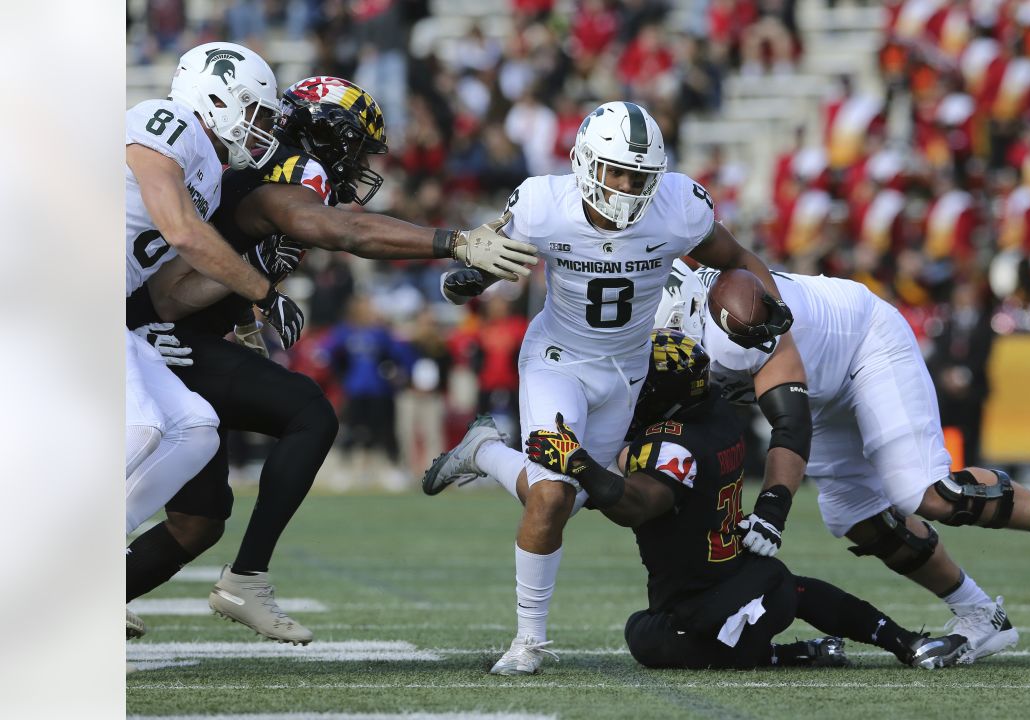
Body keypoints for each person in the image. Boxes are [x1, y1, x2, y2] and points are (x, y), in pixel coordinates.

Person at [124, 76, 539, 644]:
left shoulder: (264, 176)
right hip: (155, 337)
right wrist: (454, 241)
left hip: (174, 333)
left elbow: (231, 258)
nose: (361, 166)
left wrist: (243, 321)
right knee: (309, 412)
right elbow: (337, 228)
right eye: (357, 147)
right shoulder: (282, 174)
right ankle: (247, 578)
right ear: (324, 133)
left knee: (199, 520)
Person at [423, 101, 806, 676]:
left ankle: (484, 452)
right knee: (553, 493)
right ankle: (529, 641)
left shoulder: (677, 206)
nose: (626, 188)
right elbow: (490, 248)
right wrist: (473, 276)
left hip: (629, 369)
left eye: (639, 176)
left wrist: (771, 301)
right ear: (582, 162)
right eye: (615, 172)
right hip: (557, 358)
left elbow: (734, 258)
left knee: (578, 497)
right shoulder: (542, 204)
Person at [654, 259, 1030, 662]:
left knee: (922, 492)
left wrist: (772, 511)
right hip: (822, 391)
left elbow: (790, 428)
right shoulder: (666, 316)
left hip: (865, 343)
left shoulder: (755, 321)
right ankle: (982, 614)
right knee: (852, 514)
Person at [521, 329, 970, 670]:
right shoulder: (717, 410)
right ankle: (903, 640)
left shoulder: (672, 444)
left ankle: (788, 656)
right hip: (749, 573)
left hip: (703, 602)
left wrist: (578, 463)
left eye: (641, 381)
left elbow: (636, 505)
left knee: (644, 634)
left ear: (661, 393)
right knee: (795, 587)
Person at [125, 40, 299, 538]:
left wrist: (249, 281)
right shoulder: (167, 120)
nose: (262, 130)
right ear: (217, 97)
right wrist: (265, 293)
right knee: (141, 427)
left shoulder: (213, 177)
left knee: (195, 429)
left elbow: (170, 292)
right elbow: (181, 230)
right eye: (256, 113)